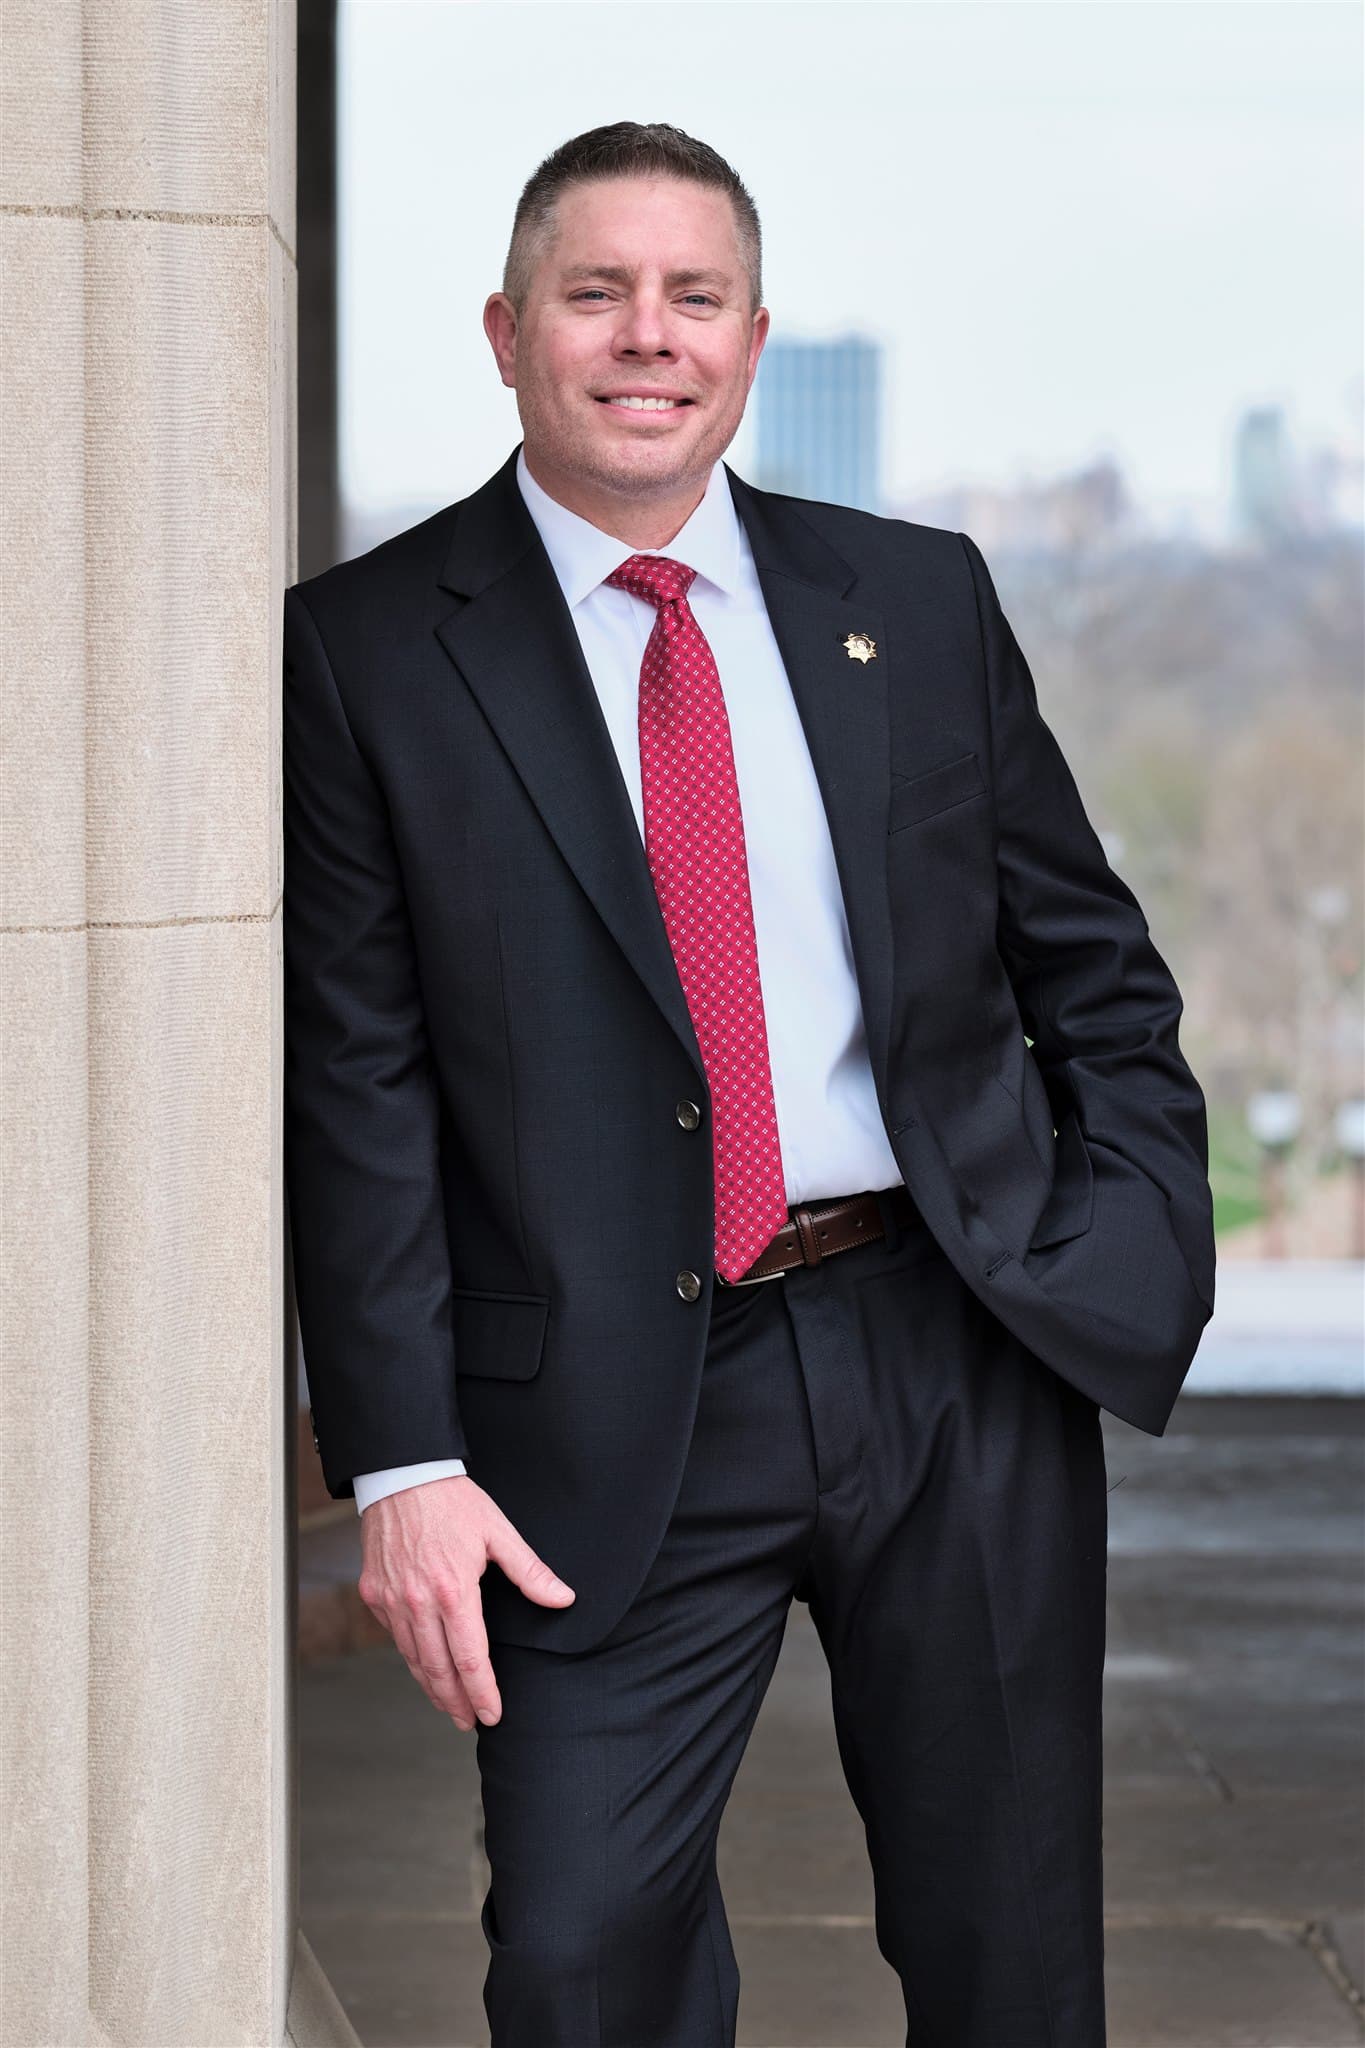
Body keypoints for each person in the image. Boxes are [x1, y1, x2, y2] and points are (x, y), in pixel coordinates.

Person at [283, 119, 1215, 2048]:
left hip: (944, 1353)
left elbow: (1096, 981)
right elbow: (355, 1083)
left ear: (753, 338)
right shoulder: (369, 653)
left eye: (691, 296)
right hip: (592, 1410)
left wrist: (1123, 1252)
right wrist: (399, 1457)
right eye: (596, 292)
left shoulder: (918, 600)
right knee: (573, 1964)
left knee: (1010, 1960)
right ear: (508, 329)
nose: (647, 336)